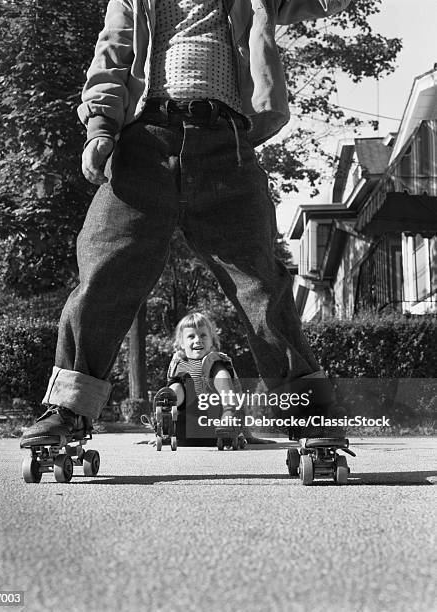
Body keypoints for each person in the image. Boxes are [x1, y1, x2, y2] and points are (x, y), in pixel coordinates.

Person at [20, 0, 353, 450]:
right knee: (103, 271)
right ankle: (68, 407)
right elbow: (113, 51)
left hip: (226, 145)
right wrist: (100, 127)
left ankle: (310, 415)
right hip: (144, 141)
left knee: (261, 284)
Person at [165, 311, 245, 446]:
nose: (197, 340)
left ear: (211, 341)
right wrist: (162, 434)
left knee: (217, 364)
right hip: (184, 429)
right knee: (178, 382)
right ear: (181, 343)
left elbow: (237, 394)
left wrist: (246, 433)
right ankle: (165, 415)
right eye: (191, 336)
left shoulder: (215, 361)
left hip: (216, 426)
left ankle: (229, 410)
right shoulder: (177, 364)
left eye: (203, 335)